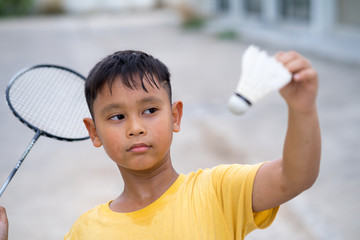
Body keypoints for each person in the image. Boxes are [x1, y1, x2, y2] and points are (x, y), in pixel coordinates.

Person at [0, 49, 321, 240]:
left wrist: (302, 109)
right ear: (93, 132)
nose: (136, 128)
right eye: (116, 117)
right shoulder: (86, 231)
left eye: (150, 110)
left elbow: (294, 177)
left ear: (175, 116)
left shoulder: (219, 191)